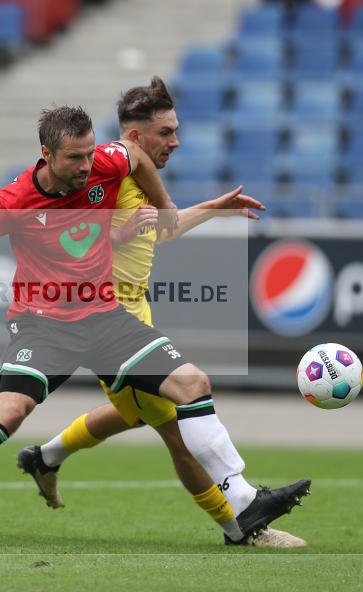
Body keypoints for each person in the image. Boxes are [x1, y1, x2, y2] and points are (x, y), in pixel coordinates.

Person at [0, 105, 309, 548]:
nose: (87, 166)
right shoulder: (18, 198)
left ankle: (242, 498)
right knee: (10, 410)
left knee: (193, 383)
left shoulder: (105, 161)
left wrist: (164, 204)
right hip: (42, 325)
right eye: (75, 158)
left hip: (104, 318)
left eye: (89, 154)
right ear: (46, 154)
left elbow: (135, 156)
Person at [15, 77, 306, 548]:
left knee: (134, 413)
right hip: (103, 322)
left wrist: (212, 208)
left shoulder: (136, 176)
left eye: (176, 130)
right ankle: (241, 527)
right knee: (176, 424)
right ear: (134, 137)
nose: (176, 141)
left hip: (137, 312)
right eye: (166, 132)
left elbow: (159, 230)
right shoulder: (100, 172)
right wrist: (113, 235)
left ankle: (45, 457)